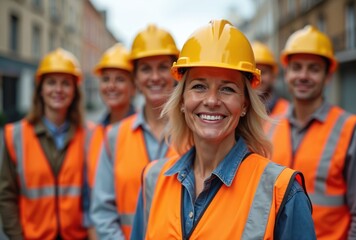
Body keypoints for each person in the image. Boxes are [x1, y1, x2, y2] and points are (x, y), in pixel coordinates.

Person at [131, 19, 316, 239]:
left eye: (227, 89)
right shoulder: (153, 179)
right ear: (182, 100)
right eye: (199, 86)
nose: (211, 100)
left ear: (245, 104)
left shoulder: (281, 191)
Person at [270, 25, 356, 239]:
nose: (303, 76)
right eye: (297, 67)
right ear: (287, 73)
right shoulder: (268, 127)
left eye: (313, 69)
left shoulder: (353, 131)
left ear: (328, 76)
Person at [90, 24, 179, 239]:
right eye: (146, 69)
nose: (155, 77)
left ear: (176, 72)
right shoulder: (115, 136)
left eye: (163, 67)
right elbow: (103, 211)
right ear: (136, 78)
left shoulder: (197, 133)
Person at [0, 48, 87, 239]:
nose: (58, 89)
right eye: (51, 82)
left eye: (66, 83)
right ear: (40, 89)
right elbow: (6, 196)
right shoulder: (15, 135)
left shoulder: (89, 135)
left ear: (75, 90)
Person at [83, 43, 136, 239]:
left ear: (133, 86)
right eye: (106, 79)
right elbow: (88, 191)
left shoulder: (145, 133)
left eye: (120, 79)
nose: (111, 86)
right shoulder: (92, 133)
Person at [252, 41, 289, 117]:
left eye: (263, 72)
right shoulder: (237, 109)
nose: (258, 79)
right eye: (253, 73)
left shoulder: (287, 110)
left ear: (273, 76)